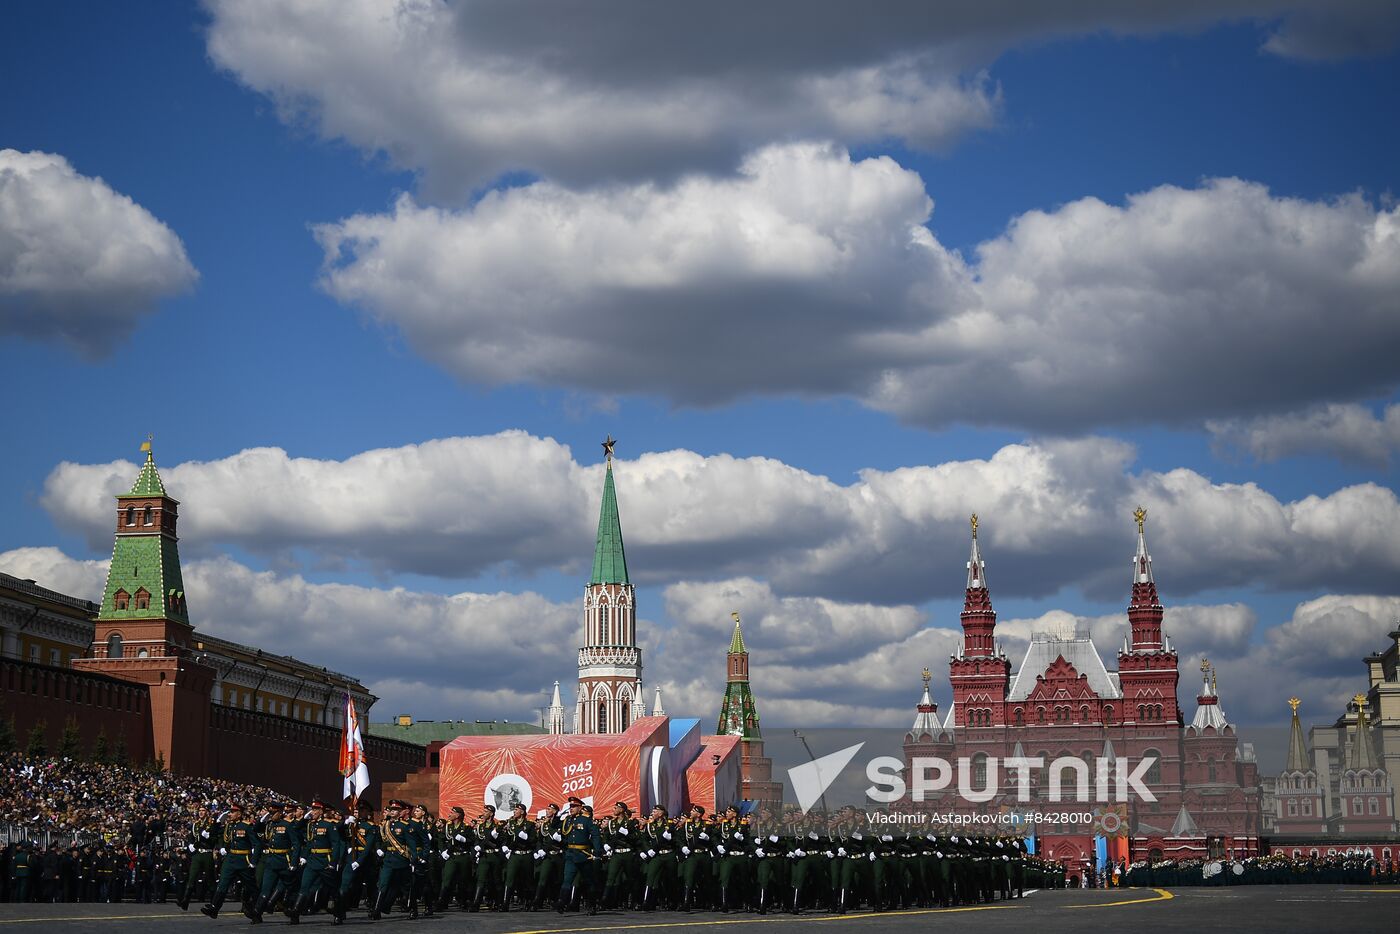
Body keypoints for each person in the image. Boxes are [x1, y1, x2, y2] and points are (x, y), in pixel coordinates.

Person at [201, 803, 261, 920]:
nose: (230, 814)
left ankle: (257, 911)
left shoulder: (247, 826)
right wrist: (217, 821)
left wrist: (253, 861)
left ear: (239, 814)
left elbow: (257, 844)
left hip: (244, 860)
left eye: (233, 812)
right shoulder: (230, 825)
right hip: (231, 859)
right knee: (223, 883)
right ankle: (214, 908)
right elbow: (213, 833)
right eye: (230, 812)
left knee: (251, 887)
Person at [290, 798, 343, 925]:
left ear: (321, 811)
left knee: (333, 889)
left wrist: (333, 863)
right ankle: (295, 913)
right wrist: (304, 856)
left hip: (325, 861)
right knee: (304, 887)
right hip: (312, 861)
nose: (312, 811)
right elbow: (309, 843)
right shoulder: (311, 825)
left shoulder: (329, 825)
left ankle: (339, 915)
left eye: (315, 809)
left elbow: (336, 845)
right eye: (312, 809)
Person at [249, 800, 301, 923]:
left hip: (284, 861)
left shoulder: (288, 825)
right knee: (265, 889)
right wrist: (262, 820)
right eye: (270, 813)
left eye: (273, 813)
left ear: (280, 812)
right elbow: (255, 830)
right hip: (271, 861)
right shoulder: (269, 824)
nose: (271, 815)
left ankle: (294, 914)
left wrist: (294, 863)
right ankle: (257, 913)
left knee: (291, 888)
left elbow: (296, 844)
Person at [370, 800, 417, 920]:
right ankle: (377, 910)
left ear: (400, 812)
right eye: (391, 809)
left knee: (405, 886)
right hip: (389, 860)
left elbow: (411, 844)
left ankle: (413, 909)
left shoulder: (405, 826)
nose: (392, 811)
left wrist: (414, 859)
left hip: (402, 859)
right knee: (383, 884)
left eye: (395, 810)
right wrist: (381, 849)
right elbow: (384, 841)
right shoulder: (385, 825)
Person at [555, 797, 601, 914]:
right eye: (570, 807)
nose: (571, 809)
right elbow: (555, 825)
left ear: (580, 808)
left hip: (583, 855)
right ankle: (562, 902)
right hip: (571, 854)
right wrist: (558, 815)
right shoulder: (567, 820)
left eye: (574, 806)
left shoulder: (586, 820)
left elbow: (595, 835)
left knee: (589, 881)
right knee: (567, 880)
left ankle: (592, 905)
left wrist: (597, 851)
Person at [178, 805, 220, 911]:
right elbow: (191, 837)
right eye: (199, 811)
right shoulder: (195, 825)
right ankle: (185, 901)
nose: (201, 812)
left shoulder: (211, 824)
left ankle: (213, 903)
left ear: (207, 812)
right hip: (197, 853)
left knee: (210, 879)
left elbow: (216, 838)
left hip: (207, 852)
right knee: (192, 876)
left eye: (203, 810)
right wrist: (190, 845)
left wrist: (209, 837)